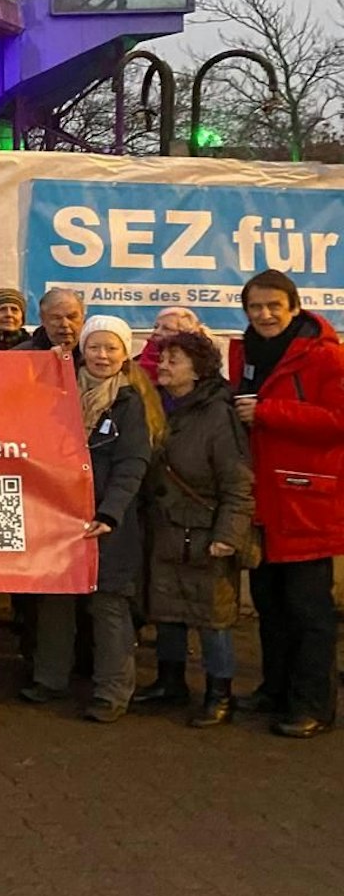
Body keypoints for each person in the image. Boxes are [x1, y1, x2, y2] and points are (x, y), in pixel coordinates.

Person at [20, 315, 164, 722]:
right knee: (55, 599)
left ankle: (112, 692)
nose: (102, 356)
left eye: (112, 348)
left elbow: (132, 465)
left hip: (106, 521)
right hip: (58, 514)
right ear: (83, 349)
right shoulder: (55, 389)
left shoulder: (130, 402)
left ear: (124, 354)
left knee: (109, 605)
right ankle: (49, 678)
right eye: (95, 347)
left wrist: (110, 513)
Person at [229, 270, 344, 738]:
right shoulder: (245, 351)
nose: (265, 314)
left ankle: (313, 705)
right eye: (256, 307)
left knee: (309, 612)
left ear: (294, 307)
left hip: (307, 502)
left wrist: (270, 413)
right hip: (264, 502)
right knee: (270, 605)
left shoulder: (327, 357)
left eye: (274, 305)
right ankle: (274, 690)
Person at [131, 330, 255, 727]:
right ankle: (170, 682)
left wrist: (227, 535)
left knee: (211, 618)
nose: (162, 366)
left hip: (204, 533)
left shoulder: (219, 415)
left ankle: (221, 694)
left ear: (198, 371)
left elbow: (238, 482)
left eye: (173, 360)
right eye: (163, 359)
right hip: (165, 528)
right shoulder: (158, 405)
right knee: (167, 609)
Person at [14, 288, 86, 365]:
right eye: (56, 318)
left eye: (72, 317)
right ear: (42, 319)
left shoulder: (96, 356)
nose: (65, 324)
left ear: (83, 318)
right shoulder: (19, 356)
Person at [135, 307, 209, 380]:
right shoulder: (135, 363)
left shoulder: (203, 365)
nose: (156, 332)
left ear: (185, 334)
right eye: (156, 327)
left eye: (166, 328)